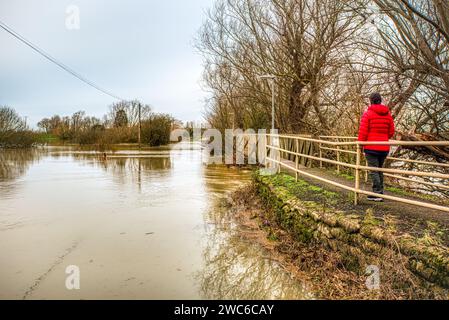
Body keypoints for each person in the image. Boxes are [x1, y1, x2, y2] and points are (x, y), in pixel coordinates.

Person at [358, 93, 395, 202]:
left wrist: (360, 144)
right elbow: (391, 132)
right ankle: (378, 192)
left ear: (371, 101)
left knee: (374, 170)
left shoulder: (368, 114)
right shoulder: (388, 114)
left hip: (371, 147)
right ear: (380, 100)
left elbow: (363, 132)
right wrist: (383, 138)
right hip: (384, 147)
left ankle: (378, 194)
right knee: (379, 170)